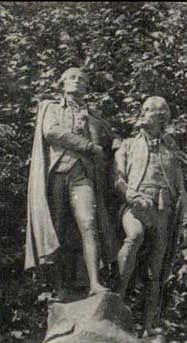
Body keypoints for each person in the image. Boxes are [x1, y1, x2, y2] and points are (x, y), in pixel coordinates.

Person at [25, 67, 117, 300]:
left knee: (88, 222)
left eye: (82, 79)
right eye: (72, 78)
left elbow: (111, 138)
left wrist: (118, 143)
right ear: (63, 83)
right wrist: (86, 146)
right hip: (57, 173)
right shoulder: (51, 108)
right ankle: (61, 288)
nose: (77, 81)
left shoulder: (94, 117)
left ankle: (95, 283)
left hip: (82, 176)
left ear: (86, 88)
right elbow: (52, 132)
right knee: (57, 229)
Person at [114, 97, 187, 343]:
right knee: (133, 237)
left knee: (156, 272)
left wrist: (185, 219)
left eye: (159, 115)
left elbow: (180, 188)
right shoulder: (128, 145)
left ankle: (149, 325)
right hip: (136, 205)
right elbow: (118, 179)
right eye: (149, 113)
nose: (154, 118)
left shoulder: (171, 151)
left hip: (164, 209)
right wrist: (132, 195)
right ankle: (115, 303)